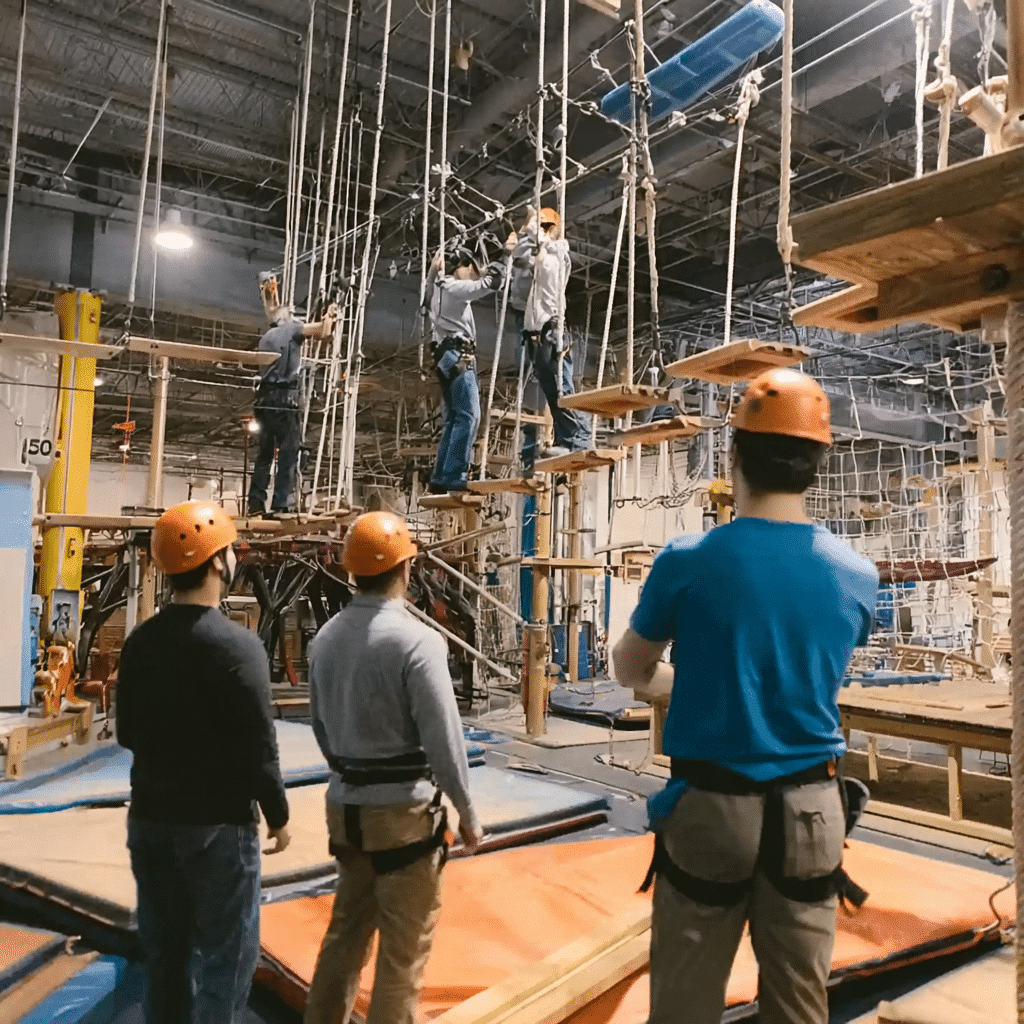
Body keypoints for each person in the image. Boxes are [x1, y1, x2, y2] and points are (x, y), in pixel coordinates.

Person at [612, 368, 878, 1024]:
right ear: (820, 460)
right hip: (813, 814)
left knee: (684, 1003)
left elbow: (628, 668)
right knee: (797, 1006)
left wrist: (687, 684)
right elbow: (809, 675)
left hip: (711, 810)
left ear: (733, 456)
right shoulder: (857, 574)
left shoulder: (687, 559)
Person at [304, 510, 484, 1024]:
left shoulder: (326, 640)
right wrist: (467, 811)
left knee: (344, 938)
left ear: (351, 571)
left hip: (345, 808)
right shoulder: (417, 641)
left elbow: (319, 726)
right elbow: (443, 740)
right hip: (403, 814)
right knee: (402, 957)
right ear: (406, 569)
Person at [116, 500, 291, 1024]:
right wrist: (278, 815)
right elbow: (259, 744)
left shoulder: (141, 642)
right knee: (226, 961)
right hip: (218, 829)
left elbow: (127, 732)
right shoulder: (239, 648)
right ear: (218, 562)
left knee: (166, 960)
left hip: (150, 821)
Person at [247, 271, 337, 517]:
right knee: (288, 452)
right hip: (285, 401)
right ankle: (282, 503)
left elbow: (272, 309)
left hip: (263, 401)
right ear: (288, 318)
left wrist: (268, 292)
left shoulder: (267, 336)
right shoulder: (293, 329)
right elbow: (324, 331)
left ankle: (255, 503)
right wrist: (331, 314)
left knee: (264, 455)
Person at [506, 207, 591, 461]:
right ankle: (569, 439)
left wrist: (533, 225)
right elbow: (520, 255)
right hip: (538, 335)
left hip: (551, 332)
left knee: (560, 389)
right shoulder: (543, 254)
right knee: (552, 390)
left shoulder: (557, 255)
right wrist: (525, 231)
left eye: (545, 228)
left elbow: (543, 254)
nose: (540, 233)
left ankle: (580, 438)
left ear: (553, 230)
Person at [425, 249, 502, 493]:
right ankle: (454, 473)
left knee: (455, 418)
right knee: (469, 416)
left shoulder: (437, 286)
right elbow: (491, 284)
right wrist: (506, 258)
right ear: (465, 265)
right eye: (473, 272)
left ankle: (440, 476)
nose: (472, 278)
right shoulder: (453, 288)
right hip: (458, 354)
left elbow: (426, 293)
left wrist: (431, 271)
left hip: (445, 355)